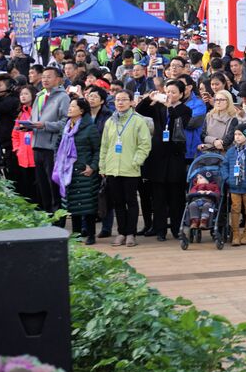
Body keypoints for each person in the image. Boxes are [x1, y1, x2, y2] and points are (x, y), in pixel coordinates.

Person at [136, 80, 192, 241]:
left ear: (181, 94)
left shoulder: (185, 109)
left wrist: (169, 107)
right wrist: (150, 98)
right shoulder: (159, 106)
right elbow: (140, 110)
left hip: (175, 156)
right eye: (168, 91)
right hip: (158, 156)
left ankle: (176, 228)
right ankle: (160, 230)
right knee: (158, 197)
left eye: (174, 92)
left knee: (176, 197)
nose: (170, 95)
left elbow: (179, 123)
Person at [99, 89, 152, 248]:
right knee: (118, 202)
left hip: (131, 168)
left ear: (131, 102)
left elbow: (145, 144)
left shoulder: (138, 121)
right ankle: (121, 232)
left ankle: (131, 233)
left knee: (131, 202)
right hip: (112, 168)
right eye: (117, 100)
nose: (120, 103)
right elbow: (105, 146)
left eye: (123, 100)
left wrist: (136, 161)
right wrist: (103, 166)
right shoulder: (110, 121)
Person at [52, 98, 101, 244]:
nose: (70, 108)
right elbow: (57, 146)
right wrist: (58, 161)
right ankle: (76, 234)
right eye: (70, 106)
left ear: (81, 110)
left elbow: (98, 149)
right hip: (68, 171)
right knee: (72, 204)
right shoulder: (66, 127)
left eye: (73, 106)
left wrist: (92, 166)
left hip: (84, 171)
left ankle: (91, 235)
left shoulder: (89, 128)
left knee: (88, 204)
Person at [27, 67, 71, 214]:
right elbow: (34, 119)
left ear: (59, 79)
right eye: (44, 77)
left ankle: (58, 221)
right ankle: (47, 218)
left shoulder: (63, 97)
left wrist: (46, 125)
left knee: (54, 186)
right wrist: (27, 126)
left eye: (49, 77)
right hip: (37, 145)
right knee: (42, 185)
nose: (45, 79)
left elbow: (66, 122)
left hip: (52, 147)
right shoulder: (39, 95)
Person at [11, 85, 37, 202]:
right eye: (21, 94)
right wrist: (17, 149)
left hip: (35, 155)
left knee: (37, 187)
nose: (23, 96)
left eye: (26, 94)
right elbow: (15, 134)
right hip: (22, 156)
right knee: (26, 188)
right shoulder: (21, 113)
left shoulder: (37, 112)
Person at [198, 89, 239, 155]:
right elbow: (202, 135)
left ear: (228, 102)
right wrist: (214, 141)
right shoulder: (209, 115)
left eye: (221, 100)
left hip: (224, 155)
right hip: (207, 154)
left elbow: (227, 141)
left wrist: (207, 146)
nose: (218, 102)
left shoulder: (233, 119)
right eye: (216, 100)